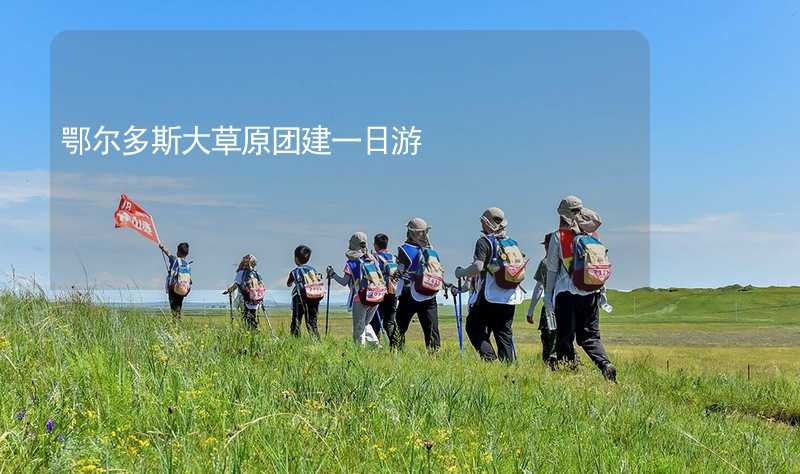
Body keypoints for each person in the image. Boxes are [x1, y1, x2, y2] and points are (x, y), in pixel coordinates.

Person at [543, 196, 617, 382]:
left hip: (566, 295)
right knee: (590, 337)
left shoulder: (558, 237)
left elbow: (551, 270)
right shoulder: (594, 237)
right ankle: (605, 364)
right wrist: (602, 293)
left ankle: (569, 376)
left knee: (565, 337)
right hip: (592, 292)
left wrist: (548, 297)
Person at [455, 208, 525, 362]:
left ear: (486, 223)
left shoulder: (484, 242)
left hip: (490, 295)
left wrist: (461, 273)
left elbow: (478, 267)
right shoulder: (512, 243)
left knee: (473, 327)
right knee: (504, 333)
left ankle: (489, 359)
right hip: (510, 296)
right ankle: (508, 369)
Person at [394, 218, 443, 353]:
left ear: (410, 232)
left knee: (400, 327)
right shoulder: (431, 250)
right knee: (432, 329)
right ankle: (434, 355)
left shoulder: (404, 250)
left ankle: (396, 353)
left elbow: (400, 270)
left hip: (409, 293)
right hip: (429, 292)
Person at [327, 232, 382, 346]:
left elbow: (344, 282)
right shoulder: (372, 259)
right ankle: (375, 345)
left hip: (360, 297)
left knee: (359, 327)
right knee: (366, 323)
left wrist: (332, 274)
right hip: (376, 296)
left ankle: (359, 350)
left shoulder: (350, 263)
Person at [527, 234, 557, 366]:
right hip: (566, 305)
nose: (545, 247)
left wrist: (531, 310)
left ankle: (549, 365)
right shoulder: (566, 261)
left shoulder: (545, 263)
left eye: (546, 245)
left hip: (550, 307)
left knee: (548, 337)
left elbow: (539, 287)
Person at [287, 245, 322, 340]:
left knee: (296, 320)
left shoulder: (294, 272)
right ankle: (317, 341)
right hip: (314, 298)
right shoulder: (313, 270)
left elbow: (289, 284)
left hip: (300, 298)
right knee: (312, 322)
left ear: (296, 258)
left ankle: (295, 341)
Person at [370, 233, 400, 345]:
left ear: (375, 245)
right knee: (390, 321)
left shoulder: (376, 258)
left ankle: (375, 347)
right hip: (393, 292)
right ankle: (396, 347)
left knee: (375, 321)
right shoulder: (393, 257)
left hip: (381, 293)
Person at [223, 254, 264, 330]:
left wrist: (229, 291)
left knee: (245, 317)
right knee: (253, 316)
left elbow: (236, 285)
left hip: (244, 299)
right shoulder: (256, 274)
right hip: (256, 300)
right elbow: (262, 285)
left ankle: (247, 331)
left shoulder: (241, 273)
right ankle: (254, 330)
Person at [159, 242, 190, 320]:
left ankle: (175, 324)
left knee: (173, 308)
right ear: (187, 253)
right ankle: (177, 321)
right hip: (183, 288)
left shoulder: (175, 260)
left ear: (178, 252)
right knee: (179, 305)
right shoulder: (186, 264)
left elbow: (168, 253)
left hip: (173, 288)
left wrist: (162, 247)